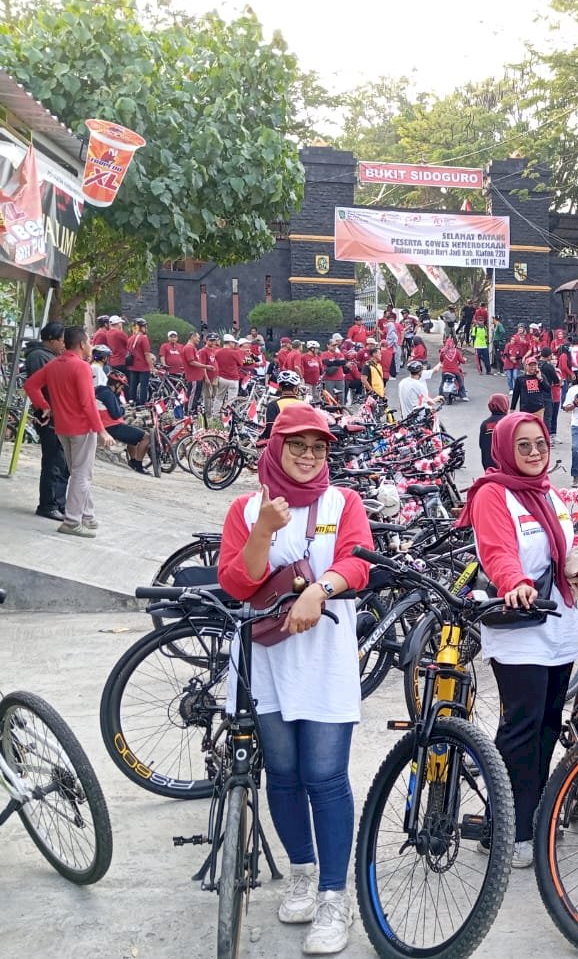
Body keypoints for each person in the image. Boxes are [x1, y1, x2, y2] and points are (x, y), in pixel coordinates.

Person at [216, 403, 373, 953]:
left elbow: (359, 563)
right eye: (298, 445)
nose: (309, 456)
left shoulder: (343, 501)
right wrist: (262, 528)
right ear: (275, 448)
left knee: (325, 775)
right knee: (282, 773)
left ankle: (335, 896)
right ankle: (302, 873)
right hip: (268, 660)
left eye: (319, 447)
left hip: (325, 657)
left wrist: (318, 588)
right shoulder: (244, 507)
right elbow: (237, 582)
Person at [461, 412, 578, 867]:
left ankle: (529, 817)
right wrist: (513, 581)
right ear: (505, 448)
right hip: (519, 626)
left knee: (550, 721)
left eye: (540, 444)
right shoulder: (493, 494)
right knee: (522, 725)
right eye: (523, 445)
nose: (533, 453)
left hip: (558, 622)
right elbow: (497, 551)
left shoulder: (548, 493)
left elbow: (560, 552)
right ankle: (505, 827)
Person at [23, 327, 115, 538]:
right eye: (90, 342)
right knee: (82, 474)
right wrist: (101, 431)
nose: (91, 346)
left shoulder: (54, 363)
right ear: (82, 344)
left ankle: (87, 515)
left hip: (62, 427)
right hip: (82, 428)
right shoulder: (81, 367)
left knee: (78, 472)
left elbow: (30, 385)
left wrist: (44, 406)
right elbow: (87, 403)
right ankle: (73, 521)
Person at [24, 323, 69, 521]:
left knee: (61, 461)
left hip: (60, 415)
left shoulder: (52, 357)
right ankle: (48, 503)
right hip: (48, 417)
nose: (63, 344)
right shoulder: (39, 357)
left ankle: (59, 502)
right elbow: (38, 386)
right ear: (51, 339)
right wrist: (45, 407)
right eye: (61, 340)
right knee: (53, 462)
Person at [96, 370, 154, 473]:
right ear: (117, 384)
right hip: (111, 426)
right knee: (146, 437)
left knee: (132, 433)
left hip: (104, 424)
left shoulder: (100, 390)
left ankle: (132, 460)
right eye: (121, 386)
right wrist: (123, 409)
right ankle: (138, 464)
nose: (122, 389)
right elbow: (116, 414)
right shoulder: (108, 395)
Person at [261, 370, 305, 441]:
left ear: (280, 388)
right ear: (296, 388)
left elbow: (270, 429)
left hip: (280, 443)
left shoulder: (273, 405)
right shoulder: (304, 405)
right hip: (300, 443)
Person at [478, 394, 509, 471]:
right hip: (507, 465)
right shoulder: (509, 422)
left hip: (488, 465)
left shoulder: (485, 424)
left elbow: (482, 445)